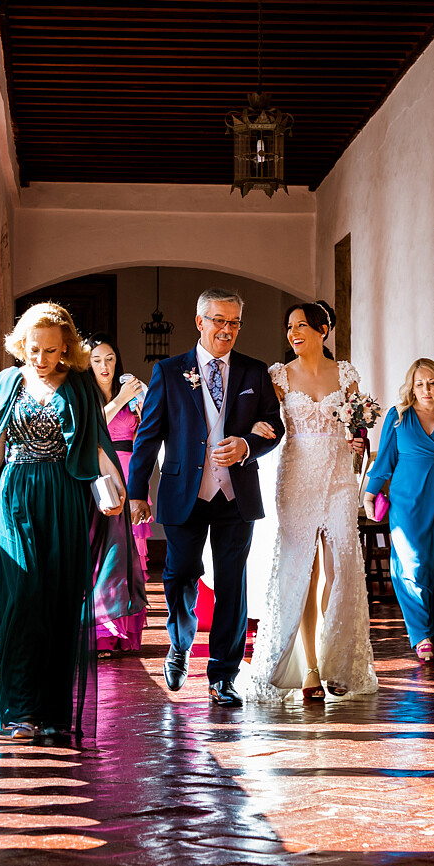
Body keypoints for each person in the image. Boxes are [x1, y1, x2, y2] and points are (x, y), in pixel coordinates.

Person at [0, 302, 124, 740]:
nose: (41, 358)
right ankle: (19, 708)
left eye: (51, 350)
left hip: (63, 497)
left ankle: (49, 711)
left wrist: (114, 485)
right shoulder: (8, 382)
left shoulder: (80, 384)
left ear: (65, 347)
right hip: (13, 498)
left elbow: (94, 445)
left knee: (59, 602)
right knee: (23, 597)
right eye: (34, 349)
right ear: (22, 344)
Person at [127, 288, 285, 707]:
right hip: (185, 492)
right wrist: (136, 492)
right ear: (200, 322)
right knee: (180, 573)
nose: (227, 329)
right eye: (219, 320)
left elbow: (274, 425)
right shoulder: (168, 371)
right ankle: (180, 643)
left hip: (236, 494)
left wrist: (248, 444)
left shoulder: (254, 372)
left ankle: (223, 676)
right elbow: (148, 436)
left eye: (234, 322)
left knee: (232, 583)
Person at [242, 301, 376, 702]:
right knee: (304, 571)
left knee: (341, 569)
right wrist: (255, 426)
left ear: (323, 330)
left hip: (338, 478)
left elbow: (357, 428)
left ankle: (339, 660)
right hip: (297, 478)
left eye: (301, 325)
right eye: (289, 327)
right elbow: (263, 417)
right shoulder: (279, 376)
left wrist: (358, 440)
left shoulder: (346, 374)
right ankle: (311, 669)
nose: (293, 333)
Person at [363, 358, 434, 662]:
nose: (426, 389)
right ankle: (420, 634)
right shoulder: (398, 417)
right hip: (407, 500)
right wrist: (370, 495)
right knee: (411, 563)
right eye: (420, 384)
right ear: (411, 387)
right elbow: (385, 460)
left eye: (432, 383)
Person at [85, 334, 150, 656]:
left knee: (130, 558)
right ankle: (100, 632)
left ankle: (123, 632)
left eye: (109, 359)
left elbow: (144, 438)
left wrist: (141, 405)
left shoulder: (130, 393)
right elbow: (91, 429)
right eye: (97, 360)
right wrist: (121, 398)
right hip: (100, 478)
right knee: (102, 557)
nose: (104, 366)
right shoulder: (84, 395)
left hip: (130, 471)